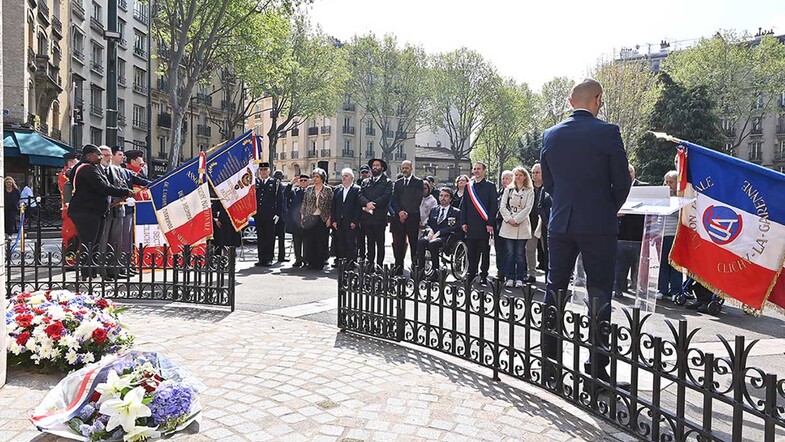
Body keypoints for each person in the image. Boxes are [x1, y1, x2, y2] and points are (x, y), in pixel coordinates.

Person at [540, 78, 632, 387]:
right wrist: (606, 207)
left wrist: (566, 205)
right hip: (598, 224)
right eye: (600, 101)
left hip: (560, 223)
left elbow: (550, 184)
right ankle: (596, 370)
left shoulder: (550, 135)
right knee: (599, 293)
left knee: (555, 289)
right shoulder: (608, 133)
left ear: (569, 101)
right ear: (596, 99)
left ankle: (549, 364)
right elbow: (622, 182)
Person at [68, 145, 135, 280]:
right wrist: (124, 191)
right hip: (86, 211)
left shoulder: (93, 168)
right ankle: (86, 273)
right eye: (98, 155)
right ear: (88, 156)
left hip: (96, 211)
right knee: (89, 243)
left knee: (95, 244)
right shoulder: (86, 169)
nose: (100, 158)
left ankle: (92, 272)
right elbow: (103, 187)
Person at [460, 162, 498, 286]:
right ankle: (471, 272)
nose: (476, 171)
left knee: (484, 251)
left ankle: (483, 274)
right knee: (471, 251)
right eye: (474, 169)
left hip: (484, 225)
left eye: (479, 169)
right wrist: (463, 222)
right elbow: (464, 206)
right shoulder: (468, 186)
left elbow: (493, 206)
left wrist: (490, 223)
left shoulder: (490, 186)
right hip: (470, 225)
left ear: (484, 171)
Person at [614, 165, 647, 298]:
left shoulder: (644, 188)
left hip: (639, 233)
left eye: (630, 172)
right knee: (620, 265)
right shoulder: (616, 187)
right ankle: (619, 289)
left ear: (635, 173)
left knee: (638, 267)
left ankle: (639, 291)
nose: (628, 174)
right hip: (621, 233)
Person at [499, 167, 535, 289]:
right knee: (510, 253)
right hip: (509, 224)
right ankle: (509, 277)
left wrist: (517, 219)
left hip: (522, 224)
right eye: (516, 175)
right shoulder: (508, 190)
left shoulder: (530, 191)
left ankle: (520, 277)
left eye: (520, 175)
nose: (518, 177)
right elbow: (502, 206)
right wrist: (509, 219)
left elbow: (528, 208)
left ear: (525, 177)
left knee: (520, 253)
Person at [416, 187, 461, 279]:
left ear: (451, 199)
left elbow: (456, 227)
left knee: (433, 243)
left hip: (447, 237)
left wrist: (440, 232)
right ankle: (421, 270)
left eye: (446, 196)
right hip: (432, 234)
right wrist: (430, 231)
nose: (443, 198)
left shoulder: (456, 212)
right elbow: (428, 223)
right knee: (421, 242)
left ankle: (435, 271)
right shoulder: (434, 210)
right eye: (441, 195)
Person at [390, 160, 424, 275]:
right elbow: (394, 199)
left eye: (407, 168)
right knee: (399, 243)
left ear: (411, 168)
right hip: (399, 219)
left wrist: (406, 213)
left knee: (414, 243)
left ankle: (415, 268)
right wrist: (399, 212)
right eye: (403, 168)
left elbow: (417, 199)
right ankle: (398, 266)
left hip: (412, 217)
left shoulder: (418, 182)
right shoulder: (398, 183)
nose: (404, 170)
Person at [359, 158, 393, 268]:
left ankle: (379, 265)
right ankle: (370, 264)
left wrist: (374, 204)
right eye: (373, 165)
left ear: (382, 168)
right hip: (367, 217)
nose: (375, 167)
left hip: (379, 217)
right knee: (369, 242)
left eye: (377, 165)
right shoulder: (365, 182)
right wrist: (367, 203)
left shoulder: (387, 182)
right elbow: (360, 195)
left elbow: (386, 196)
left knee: (380, 243)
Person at [657, 171, 683, 301]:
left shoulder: (681, 198)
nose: (668, 185)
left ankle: (676, 291)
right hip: (661, 234)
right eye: (666, 182)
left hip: (674, 234)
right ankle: (662, 289)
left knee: (674, 264)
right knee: (662, 264)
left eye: (671, 182)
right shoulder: (661, 198)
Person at [301, 168, 333, 270]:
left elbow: (330, 205)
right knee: (310, 240)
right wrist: (303, 216)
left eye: (317, 177)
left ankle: (320, 262)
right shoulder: (309, 189)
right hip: (310, 217)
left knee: (321, 240)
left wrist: (329, 218)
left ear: (322, 178)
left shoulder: (328, 190)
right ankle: (311, 261)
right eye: (314, 176)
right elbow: (304, 203)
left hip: (322, 218)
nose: (314, 178)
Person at [253, 162, 283, 267]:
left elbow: (280, 200)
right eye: (261, 170)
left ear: (269, 171)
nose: (263, 172)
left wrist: (278, 214)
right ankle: (261, 258)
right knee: (260, 237)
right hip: (259, 214)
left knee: (270, 237)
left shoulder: (275, 183)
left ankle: (269, 258)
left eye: (265, 170)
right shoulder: (255, 183)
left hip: (270, 215)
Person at [332, 168, 362, 263]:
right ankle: (341, 262)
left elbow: (358, 207)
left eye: (346, 176)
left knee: (351, 243)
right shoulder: (337, 189)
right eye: (343, 176)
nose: (344, 177)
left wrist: (355, 221)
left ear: (352, 178)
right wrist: (334, 220)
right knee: (340, 242)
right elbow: (333, 206)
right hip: (339, 221)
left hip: (351, 222)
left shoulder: (357, 190)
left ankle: (351, 262)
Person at [59, 152, 80, 265]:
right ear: (71, 162)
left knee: (76, 234)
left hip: (75, 209)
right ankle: (69, 260)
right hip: (68, 209)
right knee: (70, 235)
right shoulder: (65, 174)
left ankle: (75, 258)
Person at [525, 163, 545, 282]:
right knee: (530, 250)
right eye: (533, 172)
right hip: (530, 224)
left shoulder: (548, 187)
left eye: (537, 172)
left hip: (544, 223)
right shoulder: (528, 188)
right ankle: (531, 274)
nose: (534, 175)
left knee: (547, 251)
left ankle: (549, 275)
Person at [285, 174, 309, 267]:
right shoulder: (295, 191)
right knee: (297, 241)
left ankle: (306, 259)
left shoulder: (311, 190)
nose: (303, 182)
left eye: (305, 180)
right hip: (296, 220)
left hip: (308, 220)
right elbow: (286, 194)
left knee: (307, 242)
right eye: (301, 180)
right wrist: (291, 183)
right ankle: (298, 259)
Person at [495, 171, 514, 281]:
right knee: (499, 249)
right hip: (499, 223)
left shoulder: (514, 192)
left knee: (510, 250)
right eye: (503, 178)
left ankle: (509, 273)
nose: (504, 181)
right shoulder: (499, 192)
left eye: (507, 178)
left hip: (510, 223)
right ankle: (500, 271)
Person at [273, 169, 288, 262]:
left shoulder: (283, 187)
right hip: (275, 215)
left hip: (282, 216)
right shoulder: (274, 186)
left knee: (281, 238)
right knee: (272, 237)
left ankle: (281, 256)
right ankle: (272, 255)